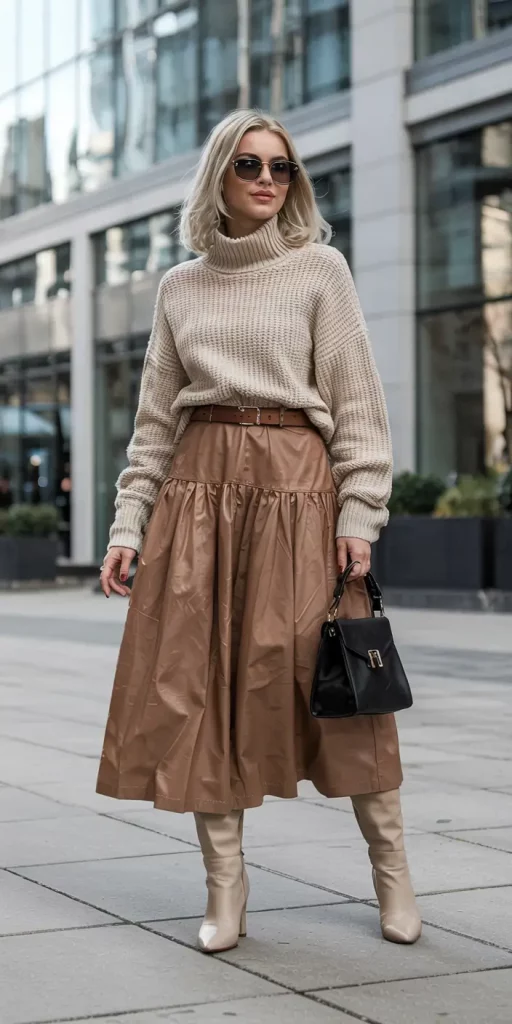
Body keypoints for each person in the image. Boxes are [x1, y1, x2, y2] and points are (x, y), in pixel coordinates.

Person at [97, 109, 421, 954]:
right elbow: (155, 422)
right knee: (200, 691)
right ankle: (227, 888)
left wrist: (362, 512)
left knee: (333, 680)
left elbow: (358, 406)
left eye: (281, 167)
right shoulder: (180, 287)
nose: (268, 180)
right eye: (249, 165)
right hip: (199, 496)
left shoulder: (321, 270)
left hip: (297, 491)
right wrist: (130, 521)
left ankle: (391, 873)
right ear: (219, 176)